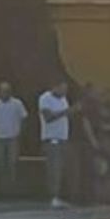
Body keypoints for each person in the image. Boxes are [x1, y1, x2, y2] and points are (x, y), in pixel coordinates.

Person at [0, 81, 29, 197]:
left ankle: (13, 189)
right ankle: (3, 189)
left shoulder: (17, 103)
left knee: (13, 163)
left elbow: (24, 118)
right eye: (1, 91)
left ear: (10, 91)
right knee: (1, 164)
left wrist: (20, 133)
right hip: (0, 138)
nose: (3, 93)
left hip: (13, 138)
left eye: (6, 91)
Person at [38, 79, 72, 209]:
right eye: (63, 88)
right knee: (54, 169)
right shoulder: (45, 98)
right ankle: (53, 197)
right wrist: (67, 112)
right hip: (52, 139)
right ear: (55, 87)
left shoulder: (63, 100)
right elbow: (48, 117)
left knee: (62, 169)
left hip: (63, 138)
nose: (65, 92)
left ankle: (60, 196)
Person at [73, 83, 104, 206]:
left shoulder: (86, 103)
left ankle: (87, 198)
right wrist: (93, 141)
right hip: (87, 142)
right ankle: (88, 199)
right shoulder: (89, 104)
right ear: (90, 91)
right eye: (96, 90)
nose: (99, 91)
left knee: (87, 170)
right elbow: (86, 123)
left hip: (87, 141)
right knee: (89, 171)